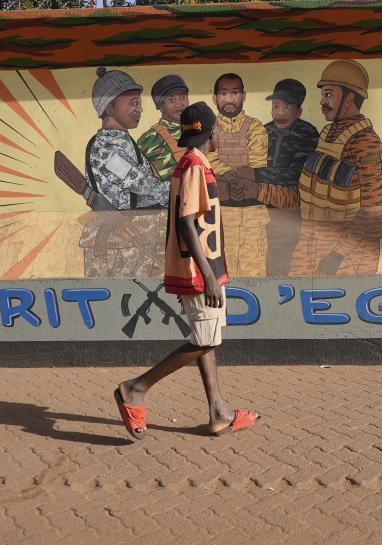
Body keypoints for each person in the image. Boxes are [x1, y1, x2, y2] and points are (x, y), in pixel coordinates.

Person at [113, 101, 260, 439]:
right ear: (211, 132)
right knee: (204, 338)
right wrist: (207, 274)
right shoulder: (194, 166)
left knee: (209, 337)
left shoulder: (191, 163)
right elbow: (186, 222)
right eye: (219, 127)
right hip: (198, 271)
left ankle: (218, 411)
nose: (222, 132)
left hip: (202, 268)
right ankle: (136, 388)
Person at [290, 60, 382, 276]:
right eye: (323, 96)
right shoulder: (327, 135)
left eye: (328, 95)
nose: (322, 102)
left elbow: (373, 211)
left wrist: (337, 254)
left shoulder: (365, 143)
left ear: (349, 98)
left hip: (350, 253)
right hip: (312, 242)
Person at [80, 67, 168, 277]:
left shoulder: (124, 143)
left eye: (139, 103)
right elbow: (147, 188)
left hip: (135, 239)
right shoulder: (106, 150)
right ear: (109, 108)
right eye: (133, 103)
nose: (139, 109)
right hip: (116, 245)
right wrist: (191, 188)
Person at [238, 79, 319, 275]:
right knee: (253, 258)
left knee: (282, 260)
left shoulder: (308, 134)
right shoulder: (263, 132)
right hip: (258, 207)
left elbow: (296, 174)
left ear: (298, 111)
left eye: (286, 107)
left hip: (289, 209)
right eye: (276, 106)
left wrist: (256, 174)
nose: (279, 112)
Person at [207, 73, 270, 276]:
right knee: (221, 272)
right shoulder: (208, 129)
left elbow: (256, 165)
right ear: (215, 98)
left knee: (254, 272)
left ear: (244, 95)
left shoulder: (256, 127)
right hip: (220, 213)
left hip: (252, 215)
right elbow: (208, 159)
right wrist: (230, 174)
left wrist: (233, 177)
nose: (229, 98)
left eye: (235, 93)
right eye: (223, 93)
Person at [137, 74, 190, 182]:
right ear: (161, 106)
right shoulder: (149, 139)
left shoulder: (199, 129)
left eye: (182, 98)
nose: (179, 104)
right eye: (171, 100)